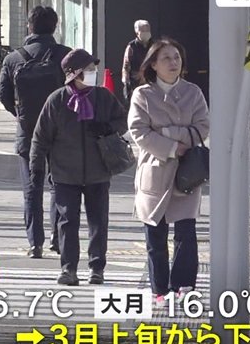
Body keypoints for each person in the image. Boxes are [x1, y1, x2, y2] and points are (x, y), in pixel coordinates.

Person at [30, 48, 127, 285]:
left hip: (98, 171)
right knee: (67, 222)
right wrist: (36, 169)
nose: (94, 73)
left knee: (98, 221)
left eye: (94, 69)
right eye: (88, 69)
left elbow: (123, 120)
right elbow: (40, 138)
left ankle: (97, 267)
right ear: (74, 74)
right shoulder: (57, 100)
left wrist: (107, 128)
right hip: (65, 173)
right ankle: (68, 269)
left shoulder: (103, 97)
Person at [127, 38, 209, 306]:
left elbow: (202, 127)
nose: (173, 63)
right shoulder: (143, 95)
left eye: (177, 57)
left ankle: (184, 284)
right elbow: (139, 132)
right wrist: (173, 146)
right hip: (155, 168)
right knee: (155, 233)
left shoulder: (193, 92)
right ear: (153, 64)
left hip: (187, 172)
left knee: (186, 232)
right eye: (166, 58)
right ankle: (159, 289)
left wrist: (165, 132)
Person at [0, 6, 72, 259]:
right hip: (60, 132)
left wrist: (22, 115)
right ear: (55, 26)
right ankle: (57, 237)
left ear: (29, 26)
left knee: (32, 188)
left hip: (27, 132)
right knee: (59, 185)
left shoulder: (13, 59)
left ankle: (34, 243)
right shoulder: (65, 55)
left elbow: (4, 96)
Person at [122, 19, 153, 107]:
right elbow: (126, 66)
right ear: (137, 32)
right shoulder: (132, 47)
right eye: (143, 30)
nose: (146, 33)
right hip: (136, 83)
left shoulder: (154, 46)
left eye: (147, 30)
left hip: (151, 81)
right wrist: (126, 82)